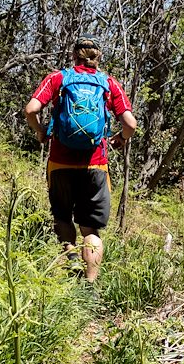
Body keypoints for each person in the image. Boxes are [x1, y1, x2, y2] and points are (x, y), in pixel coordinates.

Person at [24, 38, 137, 282]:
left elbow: (31, 109)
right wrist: (120, 139)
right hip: (95, 165)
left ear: (74, 56)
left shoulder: (58, 79)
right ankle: (90, 284)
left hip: (60, 163)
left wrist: (39, 132)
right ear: (98, 58)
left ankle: (72, 259)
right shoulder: (109, 83)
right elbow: (130, 124)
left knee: (62, 217)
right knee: (91, 229)